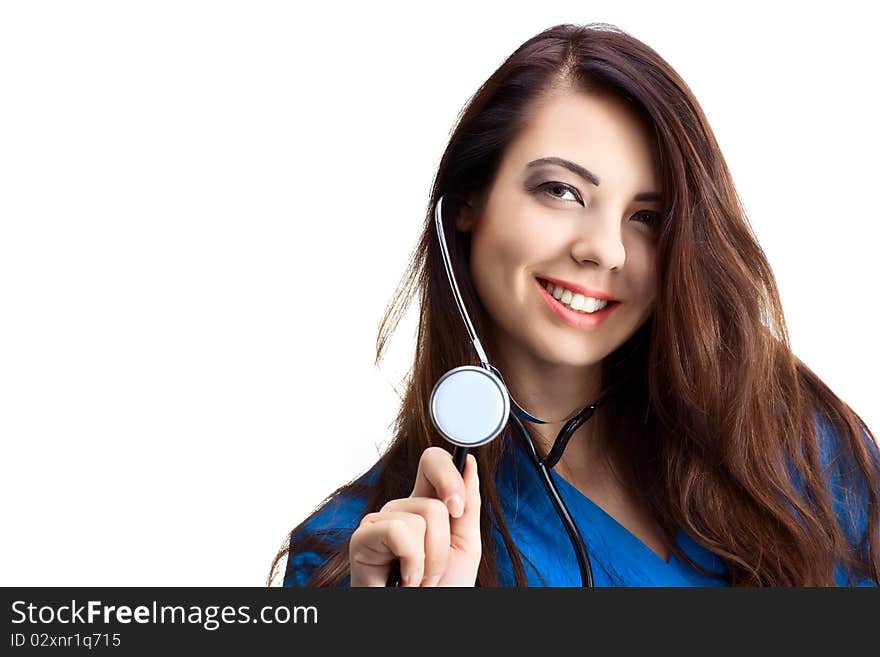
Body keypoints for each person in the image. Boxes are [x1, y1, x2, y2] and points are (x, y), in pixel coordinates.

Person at [268, 22, 880, 587]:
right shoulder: (349, 560)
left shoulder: (804, 451)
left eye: (648, 217)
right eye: (561, 191)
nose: (605, 250)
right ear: (466, 202)